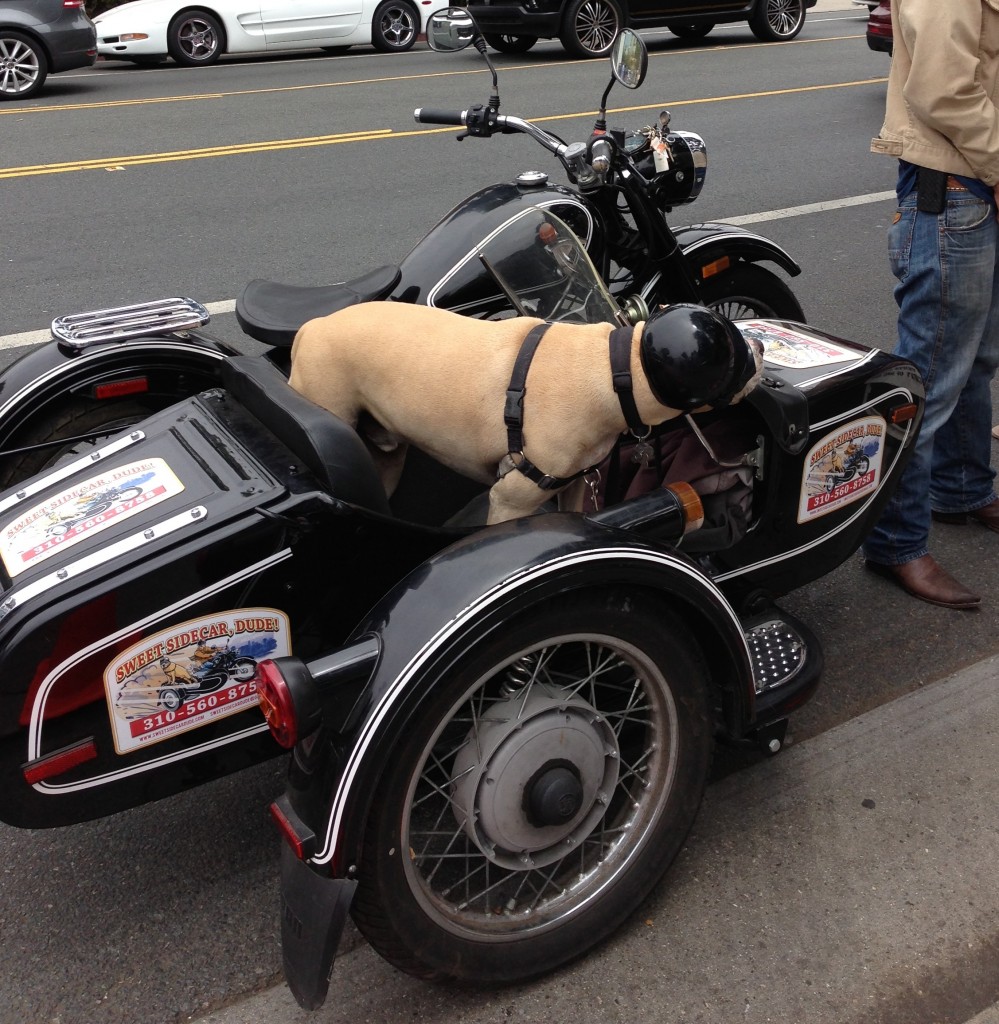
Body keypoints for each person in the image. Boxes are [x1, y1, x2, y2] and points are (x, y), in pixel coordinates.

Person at [862, 0, 999, 610]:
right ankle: (894, 541)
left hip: (976, 186)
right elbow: (943, 89)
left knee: (975, 362)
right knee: (931, 377)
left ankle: (964, 489)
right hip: (958, 190)